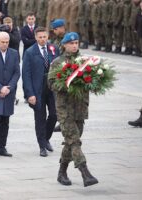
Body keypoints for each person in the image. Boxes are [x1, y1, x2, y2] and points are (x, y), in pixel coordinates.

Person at [48, 32, 98, 187]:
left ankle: (61, 172)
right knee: (74, 140)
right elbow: (51, 84)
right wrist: (67, 84)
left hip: (81, 108)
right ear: (64, 45)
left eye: (76, 42)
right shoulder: (58, 62)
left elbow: (93, 81)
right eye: (71, 43)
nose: (74, 45)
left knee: (70, 141)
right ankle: (85, 172)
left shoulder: (84, 61)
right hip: (65, 109)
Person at [22, 27, 60, 157]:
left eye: (44, 37)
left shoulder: (54, 49)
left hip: (52, 87)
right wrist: (29, 94)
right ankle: (42, 146)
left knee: (54, 114)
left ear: (47, 36)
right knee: (40, 118)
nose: (43, 39)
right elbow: (26, 74)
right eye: (40, 37)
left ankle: (46, 138)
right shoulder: (30, 52)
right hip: (37, 89)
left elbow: (60, 67)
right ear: (36, 37)